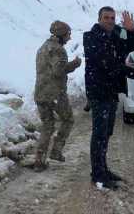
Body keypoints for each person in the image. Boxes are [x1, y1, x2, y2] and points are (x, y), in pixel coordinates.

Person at [83, 7, 134, 190]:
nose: (109, 20)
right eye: (106, 17)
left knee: (106, 133)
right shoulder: (90, 37)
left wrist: (131, 31)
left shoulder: (115, 34)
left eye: (112, 18)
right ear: (99, 19)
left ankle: (103, 169)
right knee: (99, 134)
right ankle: (97, 175)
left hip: (111, 91)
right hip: (98, 92)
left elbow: (130, 47)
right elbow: (107, 62)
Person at [33, 20, 82, 172]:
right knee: (68, 120)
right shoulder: (58, 50)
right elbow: (58, 71)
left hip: (41, 93)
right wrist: (74, 64)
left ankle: (39, 161)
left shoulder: (43, 47)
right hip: (55, 94)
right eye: (68, 34)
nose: (70, 37)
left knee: (47, 125)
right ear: (62, 35)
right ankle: (56, 151)